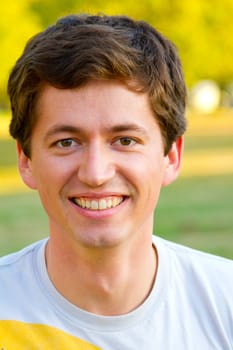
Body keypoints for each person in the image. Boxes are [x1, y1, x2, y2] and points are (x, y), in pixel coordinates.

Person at [0, 13, 232, 349]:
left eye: (124, 140)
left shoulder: (226, 306)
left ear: (171, 156)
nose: (95, 174)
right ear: (26, 160)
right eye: (67, 142)